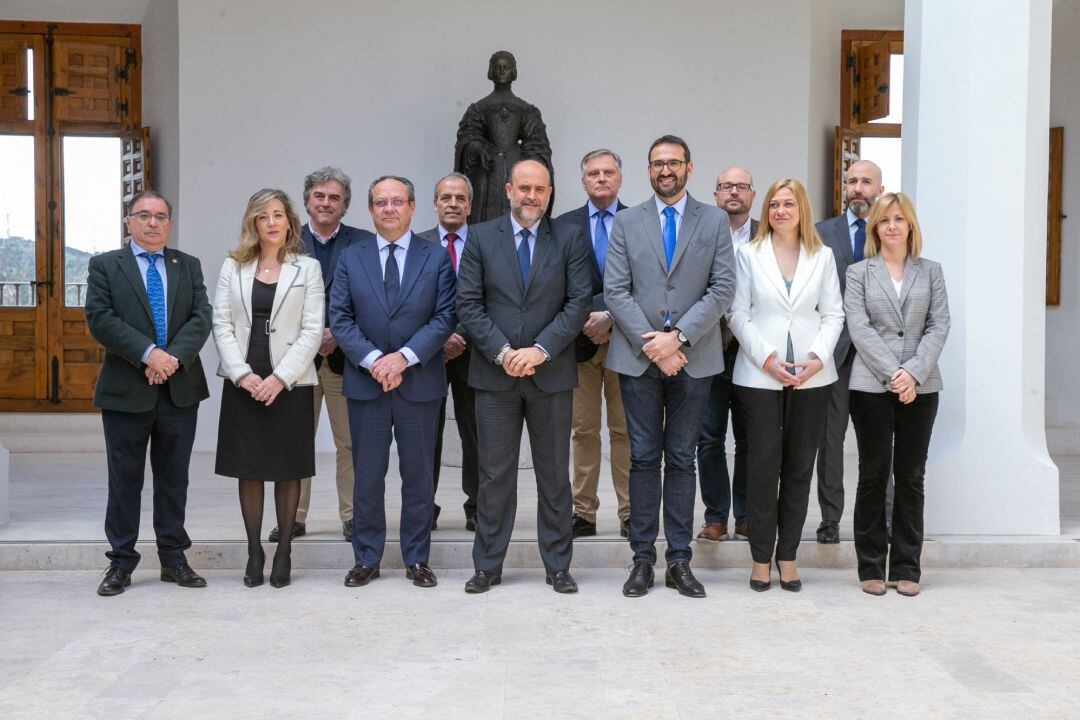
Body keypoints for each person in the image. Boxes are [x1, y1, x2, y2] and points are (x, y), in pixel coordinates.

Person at [604, 135, 735, 599]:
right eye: (658, 163)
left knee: (681, 459)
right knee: (642, 458)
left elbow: (722, 288)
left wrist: (677, 339)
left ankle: (679, 560)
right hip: (637, 360)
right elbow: (616, 290)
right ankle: (642, 559)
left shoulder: (714, 220)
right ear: (648, 170)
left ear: (689, 168)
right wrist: (654, 345)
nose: (665, 170)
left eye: (673, 163)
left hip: (693, 359)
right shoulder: (625, 221)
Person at [456, 159, 592, 594]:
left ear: (550, 194)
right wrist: (502, 352)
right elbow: (469, 305)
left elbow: (577, 305)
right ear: (508, 189)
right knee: (495, 475)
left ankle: (557, 565)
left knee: (554, 474)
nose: (531, 196)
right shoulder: (479, 236)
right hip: (495, 377)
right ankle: (488, 565)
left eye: (540, 189)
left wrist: (539, 350)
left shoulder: (570, 238)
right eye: (523, 188)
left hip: (550, 374)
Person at [330, 176, 456, 589]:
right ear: (370, 209)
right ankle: (367, 557)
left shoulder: (435, 257)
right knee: (367, 474)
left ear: (412, 207)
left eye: (396, 201)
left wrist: (402, 358)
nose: (389, 208)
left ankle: (416, 558)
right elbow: (341, 318)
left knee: (418, 476)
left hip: (419, 382)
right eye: (380, 202)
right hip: (366, 384)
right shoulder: (351, 257)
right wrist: (373, 361)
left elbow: (444, 317)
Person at [85, 190, 212, 597]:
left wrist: (170, 358)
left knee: (174, 479)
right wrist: (148, 355)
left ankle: (173, 558)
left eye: (160, 216)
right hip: (126, 390)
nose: (152, 223)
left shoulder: (187, 266)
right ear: (129, 222)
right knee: (125, 480)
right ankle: (121, 561)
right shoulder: (106, 265)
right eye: (143, 215)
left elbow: (201, 317)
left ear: (169, 223)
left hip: (179, 388)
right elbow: (100, 319)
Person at [729, 178, 844, 593]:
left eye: (788, 203)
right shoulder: (747, 254)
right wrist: (769, 360)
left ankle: (788, 557)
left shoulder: (823, 256)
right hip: (760, 375)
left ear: (802, 210)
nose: (780, 211)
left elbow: (834, 315)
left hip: (813, 377)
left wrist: (816, 358)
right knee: (762, 468)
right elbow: (738, 314)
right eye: (774, 204)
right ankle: (761, 559)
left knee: (798, 469)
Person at [213, 189, 324, 589]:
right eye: (264, 216)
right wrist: (242, 374)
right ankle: (254, 549)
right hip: (245, 377)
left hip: (290, 380)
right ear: (253, 224)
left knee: (287, 468)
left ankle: (284, 552)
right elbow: (221, 323)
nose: (272, 222)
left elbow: (313, 330)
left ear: (289, 221)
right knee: (251, 468)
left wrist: (280, 378)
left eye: (278, 214)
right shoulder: (233, 266)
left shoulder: (307, 268)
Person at [844, 192, 949, 597]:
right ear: (875, 227)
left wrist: (913, 373)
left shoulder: (931, 271)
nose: (891, 226)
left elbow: (939, 325)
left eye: (899, 219)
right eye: (884, 220)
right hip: (871, 386)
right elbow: (860, 326)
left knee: (911, 478)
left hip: (922, 387)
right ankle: (870, 565)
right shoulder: (859, 273)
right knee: (873, 476)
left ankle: (907, 567)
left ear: (910, 226)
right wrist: (894, 373)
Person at [268, 167, 373, 544]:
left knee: (350, 444)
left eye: (335, 198)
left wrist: (338, 335)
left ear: (345, 206)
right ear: (308, 201)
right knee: (295, 442)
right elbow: (275, 302)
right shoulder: (284, 242)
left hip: (346, 360)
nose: (326, 203)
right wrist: (311, 339)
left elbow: (372, 300)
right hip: (297, 362)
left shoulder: (364, 243)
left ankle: (352, 517)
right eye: (319, 196)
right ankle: (292, 517)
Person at [555, 149, 630, 540]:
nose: (601, 178)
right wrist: (587, 320)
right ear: (583, 181)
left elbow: (647, 282)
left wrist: (611, 318)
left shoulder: (639, 222)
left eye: (608, 172)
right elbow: (556, 284)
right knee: (583, 431)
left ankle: (630, 511)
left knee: (625, 431)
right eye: (593, 173)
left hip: (628, 344)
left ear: (620, 178)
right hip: (578, 343)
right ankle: (583, 512)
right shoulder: (563, 225)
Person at [814, 160, 884, 544]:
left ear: (879, 187)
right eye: (852, 181)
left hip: (878, 354)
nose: (858, 188)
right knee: (831, 438)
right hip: (836, 353)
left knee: (879, 438)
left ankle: (882, 517)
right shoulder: (822, 232)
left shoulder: (890, 230)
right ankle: (829, 519)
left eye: (866, 182)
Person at [696, 166, 758, 543]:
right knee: (709, 437)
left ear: (752, 194)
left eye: (741, 186)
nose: (733, 192)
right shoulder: (702, 232)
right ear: (715, 194)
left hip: (752, 353)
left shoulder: (766, 236)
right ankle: (716, 516)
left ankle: (747, 515)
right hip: (709, 348)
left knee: (750, 437)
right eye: (725, 186)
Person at [417, 172, 480, 531]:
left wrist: (461, 335)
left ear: (469, 205)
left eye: (460, 198)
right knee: (426, 432)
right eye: (446, 197)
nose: (453, 203)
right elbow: (409, 300)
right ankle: (425, 504)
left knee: (476, 433)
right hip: (428, 354)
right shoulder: (418, 243)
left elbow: (492, 297)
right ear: (435, 204)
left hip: (474, 353)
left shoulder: (485, 243)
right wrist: (439, 338)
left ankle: (477, 504)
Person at [453, 50, 554, 223]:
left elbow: (538, 143)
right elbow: (468, 136)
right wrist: (477, 148)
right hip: (487, 171)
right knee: (484, 220)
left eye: (506, 67)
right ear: (490, 71)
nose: (501, 71)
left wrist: (527, 160)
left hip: (517, 167)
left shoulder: (526, 110)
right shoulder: (479, 108)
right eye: (497, 67)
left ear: (513, 71)